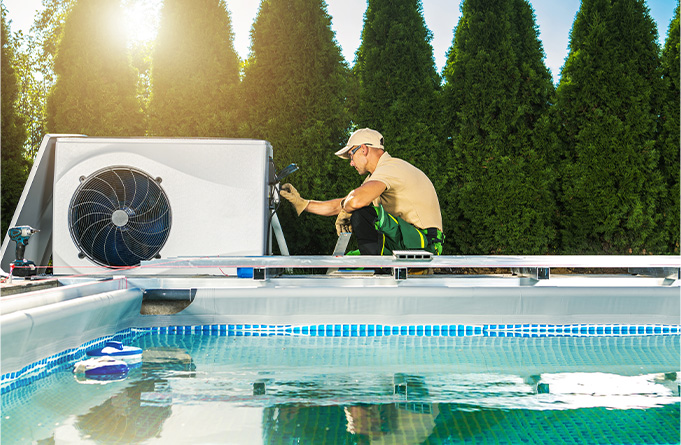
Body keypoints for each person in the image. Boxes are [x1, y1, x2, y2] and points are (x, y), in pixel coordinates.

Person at [280, 128, 444, 255]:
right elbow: (342, 204)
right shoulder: (377, 177)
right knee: (349, 263)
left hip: (425, 243)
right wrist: (302, 203)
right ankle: (374, 267)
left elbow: (356, 202)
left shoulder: (391, 167)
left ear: (364, 149)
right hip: (408, 240)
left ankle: (377, 269)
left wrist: (349, 208)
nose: (351, 163)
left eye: (351, 155)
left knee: (362, 213)